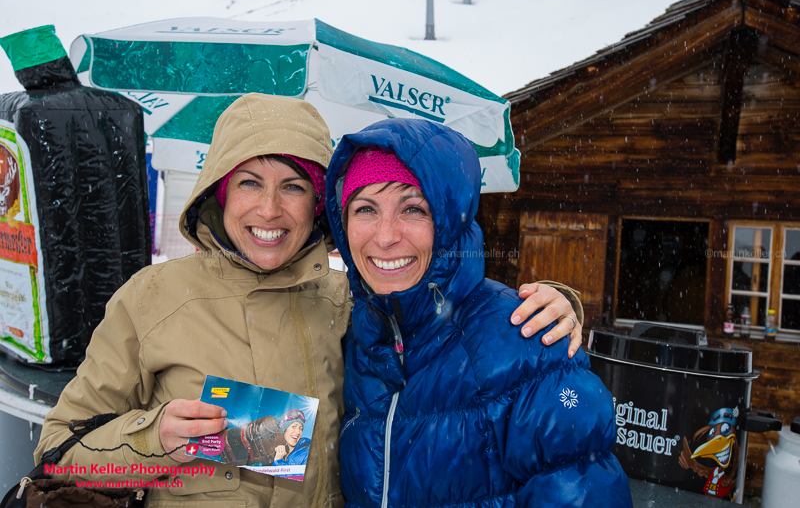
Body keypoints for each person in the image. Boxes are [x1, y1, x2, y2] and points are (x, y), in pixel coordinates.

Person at [34, 93, 584, 507]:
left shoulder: (350, 300)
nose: (270, 210)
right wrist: (153, 440)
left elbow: (443, 331)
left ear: (319, 206)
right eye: (249, 183)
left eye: (293, 186)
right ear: (219, 194)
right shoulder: (153, 298)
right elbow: (57, 453)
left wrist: (556, 306)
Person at [326, 119, 632, 507]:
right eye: (366, 209)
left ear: (449, 222)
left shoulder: (527, 338)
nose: (385, 236)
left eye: (413, 209)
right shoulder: (349, 334)